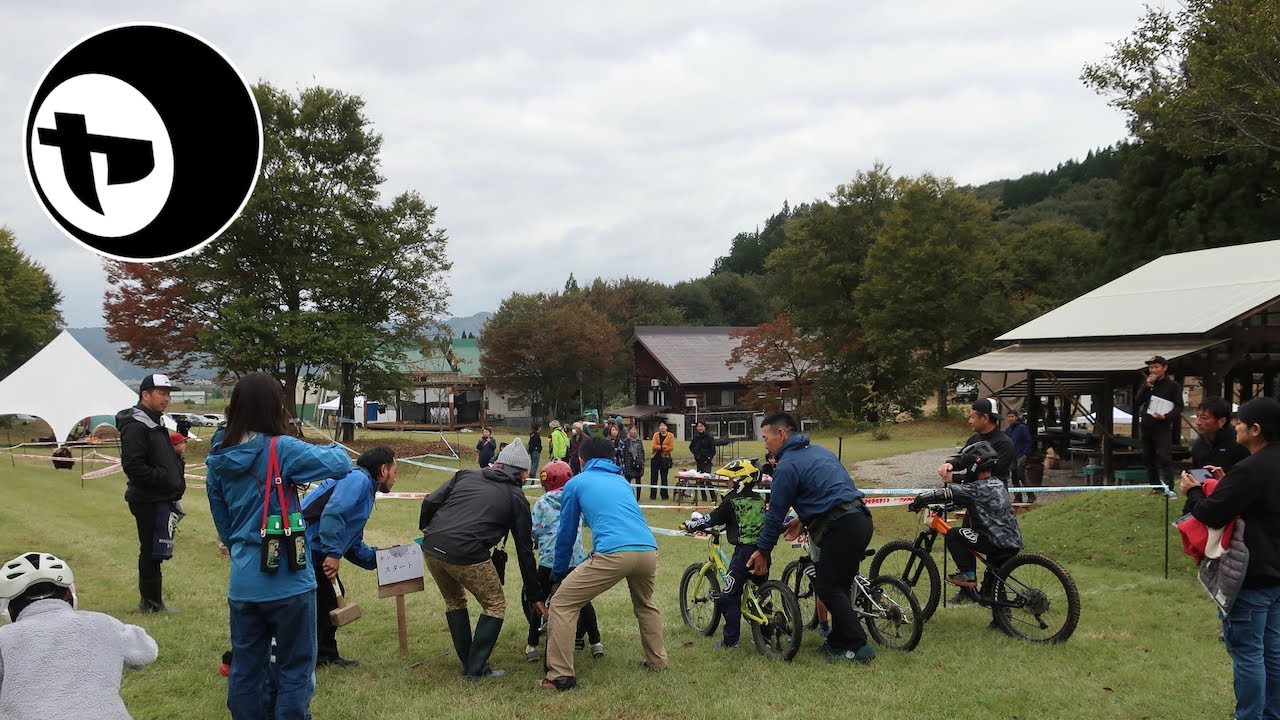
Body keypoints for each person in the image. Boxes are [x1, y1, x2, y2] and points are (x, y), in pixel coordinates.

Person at [205, 372, 353, 720]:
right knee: (296, 668)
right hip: (289, 578)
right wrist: (324, 444)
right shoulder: (281, 448)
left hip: (244, 580)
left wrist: (243, 548)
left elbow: (222, 521)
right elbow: (341, 464)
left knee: (245, 667)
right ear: (276, 408)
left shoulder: (218, 454)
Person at [1180, 396, 1280, 720]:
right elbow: (1259, 503)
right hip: (1276, 576)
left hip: (1251, 578)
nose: (1235, 426)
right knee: (1272, 653)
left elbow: (1211, 512)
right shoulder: (1258, 467)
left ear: (1256, 429)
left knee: (1248, 654)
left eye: (1240, 422)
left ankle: (1248, 716)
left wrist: (1194, 492)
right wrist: (1227, 484)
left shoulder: (1250, 469)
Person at [541, 437, 667, 691]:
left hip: (614, 554)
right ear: (612, 459)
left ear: (581, 460)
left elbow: (566, 534)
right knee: (645, 605)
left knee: (563, 604)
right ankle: (658, 661)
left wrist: (558, 575)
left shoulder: (575, 483)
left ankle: (560, 676)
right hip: (647, 550)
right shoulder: (622, 481)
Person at [747, 412, 873, 664]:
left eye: (766, 437)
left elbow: (775, 515)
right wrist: (803, 519)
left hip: (841, 528)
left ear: (781, 434)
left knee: (827, 586)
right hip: (861, 520)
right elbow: (831, 491)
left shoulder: (787, 466)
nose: (765, 444)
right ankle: (838, 642)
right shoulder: (821, 452)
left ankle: (859, 646)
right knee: (839, 585)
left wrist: (763, 550)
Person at [418, 439, 543, 681]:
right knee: (495, 604)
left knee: (454, 601)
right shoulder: (517, 498)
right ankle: (476, 669)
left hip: (431, 547)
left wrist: (427, 530)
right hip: (467, 553)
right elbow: (525, 551)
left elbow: (430, 501)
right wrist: (534, 593)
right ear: (525, 473)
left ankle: (469, 662)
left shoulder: (465, 474)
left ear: (497, 463)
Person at [0, 552, 158, 720]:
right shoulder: (103, 623)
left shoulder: (4, 638)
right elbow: (147, 652)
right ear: (69, 594)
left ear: (8, 607)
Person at [301, 445, 398, 668]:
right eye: (395, 471)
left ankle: (323, 656)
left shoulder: (364, 487)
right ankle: (236, 658)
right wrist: (332, 554)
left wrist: (382, 558)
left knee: (326, 598)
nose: (395, 478)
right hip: (301, 546)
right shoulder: (358, 480)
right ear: (383, 470)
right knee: (309, 602)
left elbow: (351, 543)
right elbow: (333, 514)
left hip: (314, 548)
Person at [910, 441, 1023, 603]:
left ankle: (968, 575)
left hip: (992, 541)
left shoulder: (975, 488)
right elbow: (970, 502)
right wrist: (946, 507)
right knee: (993, 586)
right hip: (1012, 540)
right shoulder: (997, 483)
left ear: (974, 466)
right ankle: (1001, 618)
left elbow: (946, 493)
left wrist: (920, 499)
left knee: (953, 534)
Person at [116, 373, 186, 614]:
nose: (166, 398)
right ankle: (151, 604)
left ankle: (154, 602)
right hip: (148, 498)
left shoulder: (155, 421)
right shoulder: (137, 425)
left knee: (157, 551)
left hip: (161, 497)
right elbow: (133, 465)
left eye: (168, 394)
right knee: (150, 551)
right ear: (145, 395)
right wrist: (162, 479)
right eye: (161, 393)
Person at [525, 460, 603, 663]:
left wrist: (536, 540)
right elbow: (585, 521)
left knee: (539, 601)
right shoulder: (576, 499)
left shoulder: (542, 502)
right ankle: (596, 642)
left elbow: (535, 529)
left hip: (548, 562)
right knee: (583, 601)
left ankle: (532, 645)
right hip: (574, 561)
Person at [681, 465, 766, 649]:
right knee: (761, 592)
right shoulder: (759, 499)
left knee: (728, 596)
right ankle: (765, 635)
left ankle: (730, 641)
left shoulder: (732, 501)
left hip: (744, 554)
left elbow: (713, 519)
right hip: (762, 552)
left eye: (729, 480)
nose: (727, 484)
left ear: (738, 481)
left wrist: (692, 525)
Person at [1183, 397, 1250, 515]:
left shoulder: (1239, 442)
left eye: (1204, 418)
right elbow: (1196, 468)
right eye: (1197, 416)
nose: (1198, 422)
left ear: (1221, 421)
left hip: (1229, 499)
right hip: (1201, 496)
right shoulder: (1199, 443)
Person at [1136, 355, 1184, 491]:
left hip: (1162, 426)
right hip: (1146, 425)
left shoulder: (1173, 386)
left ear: (1165, 368)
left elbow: (1179, 406)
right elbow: (1138, 401)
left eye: (1156, 367)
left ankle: (1169, 486)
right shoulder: (1148, 384)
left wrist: (1166, 416)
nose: (1153, 370)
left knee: (1164, 457)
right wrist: (1146, 386)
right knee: (1147, 457)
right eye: (1151, 367)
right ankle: (1155, 486)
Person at [939, 398, 1014, 484]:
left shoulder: (1004, 443)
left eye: (972, 417)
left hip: (994, 495)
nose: (969, 421)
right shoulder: (975, 439)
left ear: (985, 418)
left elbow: (989, 476)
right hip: (974, 494)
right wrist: (950, 464)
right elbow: (963, 458)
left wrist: (956, 478)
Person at [689, 420, 732, 502]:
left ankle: (713, 497)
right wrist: (696, 454)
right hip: (699, 461)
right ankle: (703, 497)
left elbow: (713, 450)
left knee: (708, 480)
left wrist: (708, 457)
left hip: (707, 462)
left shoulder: (709, 437)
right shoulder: (696, 437)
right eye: (698, 426)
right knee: (700, 480)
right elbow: (691, 447)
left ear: (704, 427)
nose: (700, 428)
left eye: (701, 426)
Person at [1005, 410, 1035, 504]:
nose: (1010, 418)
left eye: (1012, 416)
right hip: (1012, 456)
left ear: (1016, 417)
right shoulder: (1008, 429)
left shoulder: (1022, 427)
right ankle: (1018, 497)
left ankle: (1031, 495)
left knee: (1022, 475)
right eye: (1009, 417)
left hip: (1021, 455)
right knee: (1014, 477)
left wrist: (1025, 454)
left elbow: (1028, 441)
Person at [649, 422, 675, 500]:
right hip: (655, 458)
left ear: (667, 427)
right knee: (654, 477)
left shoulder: (670, 435)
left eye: (664, 425)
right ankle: (653, 495)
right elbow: (653, 446)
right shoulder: (656, 435)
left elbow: (671, 448)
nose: (662, 427)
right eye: (660, 425)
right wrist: (663, 447)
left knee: (664, 478)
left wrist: (660, 447)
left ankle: (664, 495)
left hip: (665, 459)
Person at [622, 425, 646, 500]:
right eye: (631, 430)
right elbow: (624, 452)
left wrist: (642, 461)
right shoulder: (626, 441)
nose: (633, 431)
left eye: (634, 430)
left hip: (638, 463)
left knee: (638, 481)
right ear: (629, 431)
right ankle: (627, 496)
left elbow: (642, 451)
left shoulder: (639, 441)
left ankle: (638, 497)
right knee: (627, 481)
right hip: (629, 463)